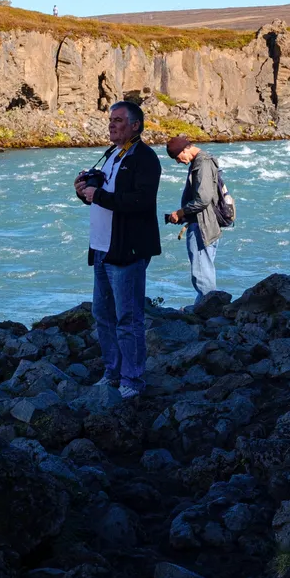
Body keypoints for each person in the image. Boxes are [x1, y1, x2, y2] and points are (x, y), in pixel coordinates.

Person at [74, 101, 161, 399]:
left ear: (135, 126)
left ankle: (133, 380)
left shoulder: (145, 158)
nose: (112, 125)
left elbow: (140, 202)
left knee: (128, 317)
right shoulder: (111, 154)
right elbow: (105, 196)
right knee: (103, 314)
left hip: (127, 249)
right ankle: (112, 372)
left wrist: (97, 194)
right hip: (101, 248)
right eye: (111, 120)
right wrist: (84, 192)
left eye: (119, 121)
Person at [163, 136, 223, 304]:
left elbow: (203, 199)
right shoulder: (203, 161)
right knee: (205, 269)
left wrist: (181, 212)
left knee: (201, 272)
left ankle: (208, 311)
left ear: (185, 150)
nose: (178, 162)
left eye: (176, 157)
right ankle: (207, 308)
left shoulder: (202, 164)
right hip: (207, 224)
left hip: (202, 227)